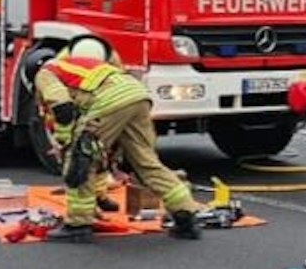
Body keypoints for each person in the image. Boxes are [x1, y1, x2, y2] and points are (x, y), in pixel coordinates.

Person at [33, 36, 205, 241]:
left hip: (111, 100)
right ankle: (185, 216)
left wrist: (65, 142)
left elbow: (63, 109)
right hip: (138, 95)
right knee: (145, 161)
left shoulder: (46, 72)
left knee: (80, 160)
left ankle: (78, 224)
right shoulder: (97, 65)